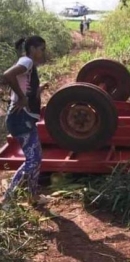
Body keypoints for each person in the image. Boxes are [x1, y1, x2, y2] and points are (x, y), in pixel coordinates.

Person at [0, 36, 47, 207]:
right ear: (33, 49)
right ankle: (8, 199)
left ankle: (32, 196)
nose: (43, 53)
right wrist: (21, 97)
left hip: (25, 118)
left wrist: (37, 90)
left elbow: (25, 87)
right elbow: (7, 75)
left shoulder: (29, 65)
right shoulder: (26, 61)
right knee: (32, 160)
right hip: (20, 119)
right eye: (41, 49)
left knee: (36, 158)